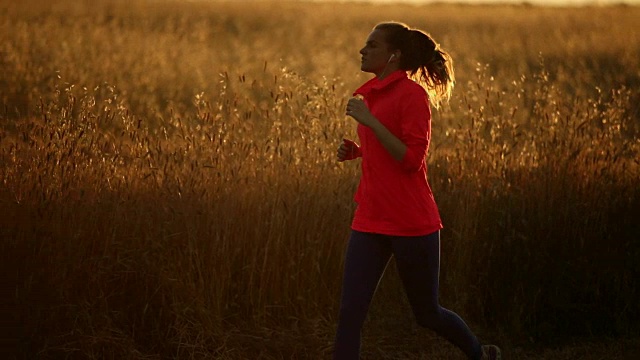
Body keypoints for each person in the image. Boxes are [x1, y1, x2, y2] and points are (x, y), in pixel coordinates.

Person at [333, 22, 501, 360]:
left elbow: (411, 159)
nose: (363, 51)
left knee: (427, 314)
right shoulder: (372, 94)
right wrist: (358, 150)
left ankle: (481, 354)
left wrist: (371, 122)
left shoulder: (413, 96)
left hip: (411, 222)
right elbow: (386, 147)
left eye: (372, 45)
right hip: (370, 217)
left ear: (394, 56)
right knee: (350, 314)